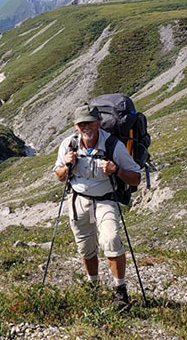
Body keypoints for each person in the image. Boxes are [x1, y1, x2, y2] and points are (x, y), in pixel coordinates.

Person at [53, 104, 142, 310]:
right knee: (85, 247)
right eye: (82, 123)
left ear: (99, 123)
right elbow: (58, 176)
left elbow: (136, 178)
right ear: (76, 126)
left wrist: (117, 170)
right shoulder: (69, 144)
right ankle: (92, 285)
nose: (86, 127)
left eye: (90, 122)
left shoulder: (113, 145)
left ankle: (120, 291)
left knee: (110, 239)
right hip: (78, 201)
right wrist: (66, 166)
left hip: (105, 200)